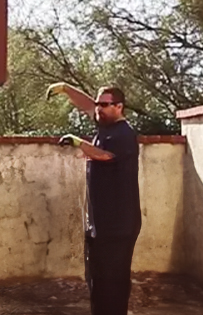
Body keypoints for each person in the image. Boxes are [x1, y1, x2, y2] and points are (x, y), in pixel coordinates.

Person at [46, 82, 141, 315]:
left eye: (105, 105)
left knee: (112, 280)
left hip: (118, 224)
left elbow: (105, 156)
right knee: (97, 279)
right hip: (101, 222)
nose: (98, 108)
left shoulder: (124, 134)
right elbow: (88, 106)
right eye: (98, 104)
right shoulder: (106, 126)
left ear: (119, 107)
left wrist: (79, 143)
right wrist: (66, 89)